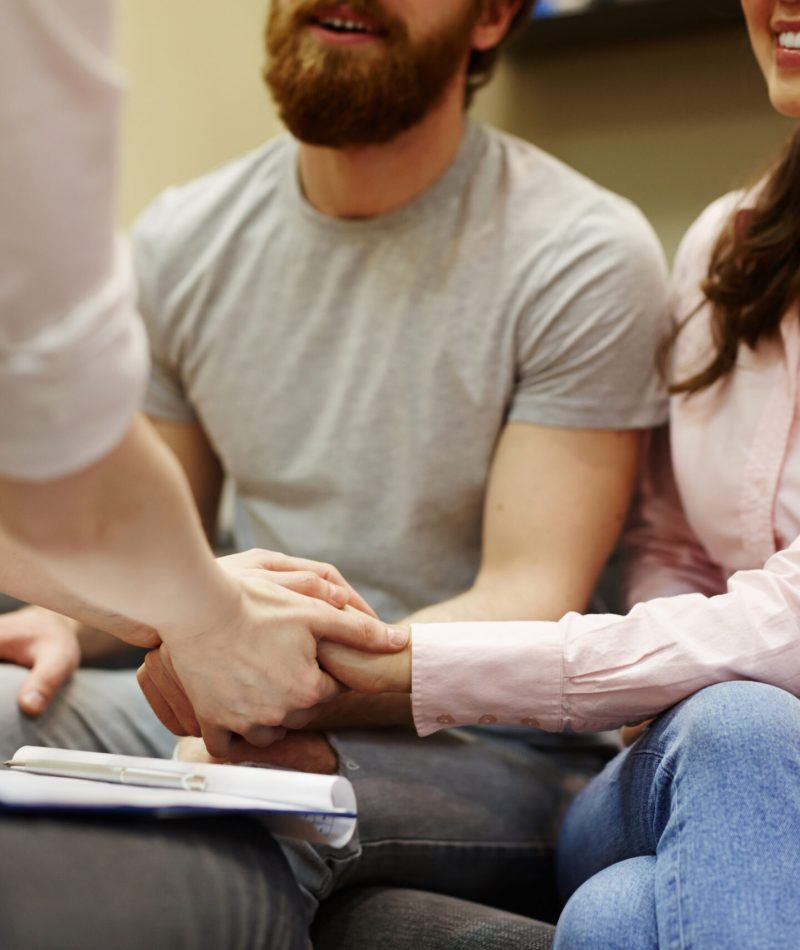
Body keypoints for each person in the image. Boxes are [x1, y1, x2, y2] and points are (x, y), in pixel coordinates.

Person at [0, 0, 671, 946]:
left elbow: (528, 593)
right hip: (231, 681)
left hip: (483, 740)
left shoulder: (584, 252)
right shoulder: (185, 237)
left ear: (491, 16)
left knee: (250, 777)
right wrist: (72, 616)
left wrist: (264, 660)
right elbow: (150, 524)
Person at [319, 2, 800, 945]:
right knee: (739, 730)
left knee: (614, 916)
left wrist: (401, 669)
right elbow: (670, 540)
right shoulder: (728, 246)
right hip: (700, 757)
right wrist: (668, 680)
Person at [0, 0, 406, 758]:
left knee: (239, 762)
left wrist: (221, 627)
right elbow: (50, 410)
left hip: (439, 710)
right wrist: (207, 618)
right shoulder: (187, 236)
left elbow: (49, 406)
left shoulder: (579, 250)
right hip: (225, 648)